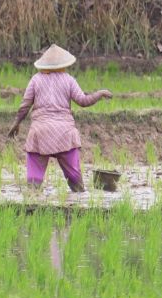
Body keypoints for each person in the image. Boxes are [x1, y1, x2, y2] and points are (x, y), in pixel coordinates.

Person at [8, 44, 112, 192]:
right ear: (64, 64)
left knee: (33, 186)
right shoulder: (68, 79)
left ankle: (31, 208)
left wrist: (16, 123)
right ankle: (78, 206)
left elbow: (25, 106)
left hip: (40, 133)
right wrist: (100, 93)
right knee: (77, 186)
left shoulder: (36, 79)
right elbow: (83, 101)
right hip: (65, 134)